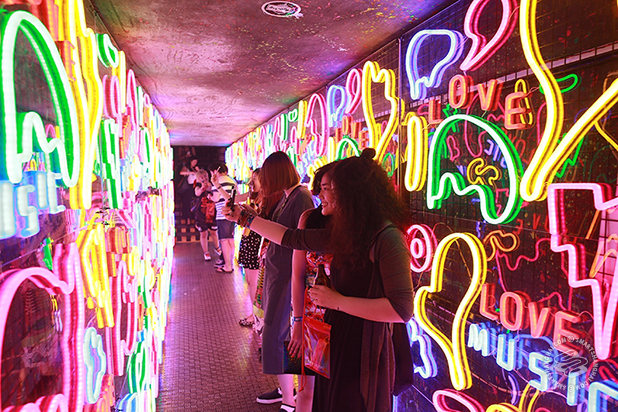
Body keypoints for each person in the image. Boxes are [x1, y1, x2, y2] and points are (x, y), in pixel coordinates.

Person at [224, 149, 414, 412]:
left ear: (351, 193)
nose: (320, 195)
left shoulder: (387, 238)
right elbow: (290, 238)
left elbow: (402, 310)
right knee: (318, 398)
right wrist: (244, 218)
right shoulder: (345, 231)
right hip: (333, 335)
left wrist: (337, 301)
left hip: (366, 347)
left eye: (327, 189)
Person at [245, 152, 314, 410]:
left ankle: (289, 398)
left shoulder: (301, 197)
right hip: (278, 273)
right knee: (276, 333)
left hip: (288, 275)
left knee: (279, 335)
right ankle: (286, 391)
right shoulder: (289, 195)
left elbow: (298, 240)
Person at [287, 163, 335, 412]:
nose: (321, 195)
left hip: (343, 319)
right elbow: (297, 275)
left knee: (336, 392)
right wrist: (297, 322)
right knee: (306, 390)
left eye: (327, 188)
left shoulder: (357, 227)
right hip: (308, 318)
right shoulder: (308, 218)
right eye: (321, 188)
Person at [210, 163, 238, 273]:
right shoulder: (232, 181)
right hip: (233, 213)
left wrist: (210, 197)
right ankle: (230, 264)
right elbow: (237, 196)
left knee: (224, 241)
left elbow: (216, 198)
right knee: (230, 239)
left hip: (222, 214)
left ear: (215, 171)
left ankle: (227, 266)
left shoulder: (217, 182)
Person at [193, 169, 218, 261]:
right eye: (201, 177)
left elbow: (214, 192)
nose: (204, 178)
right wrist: (202, 188)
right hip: (201, 213)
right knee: (203, 233)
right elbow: (197, 193)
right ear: (198, 179)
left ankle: (217, 248)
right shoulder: (197, 186)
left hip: (212, 211)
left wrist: (209, 186)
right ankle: (206, 252)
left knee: (214, 232)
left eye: (205, 176)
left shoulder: (212, 184)